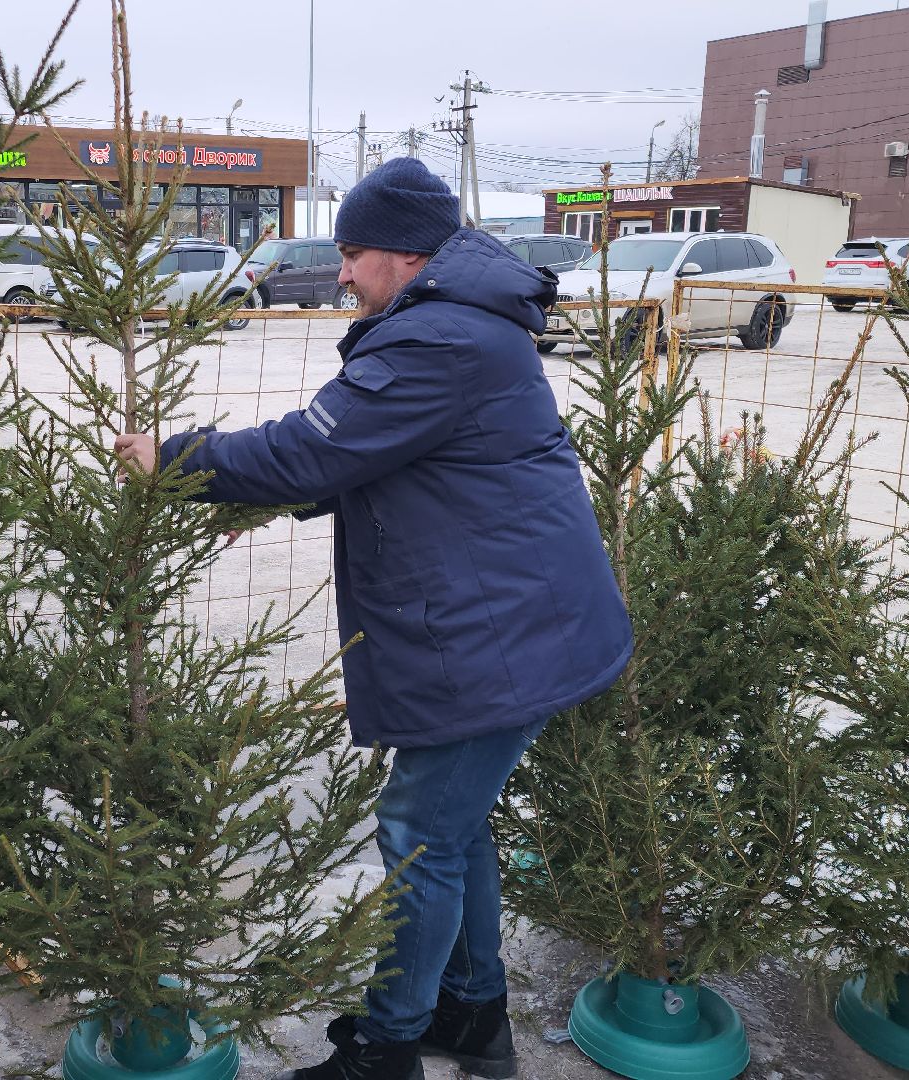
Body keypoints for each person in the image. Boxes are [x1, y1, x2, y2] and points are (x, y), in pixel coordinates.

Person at [112, 158, 632, 1080]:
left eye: (351, 252)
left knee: (417, 832)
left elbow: (315, 449)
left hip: (502, 638)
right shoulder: (453, 325)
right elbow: (383, 453)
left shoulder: (441, 339)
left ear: (403, 254)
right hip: (512, 621)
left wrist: (178, 458)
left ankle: (390, 1050)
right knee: (453, 827)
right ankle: (471, 1016)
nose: (342, 272)